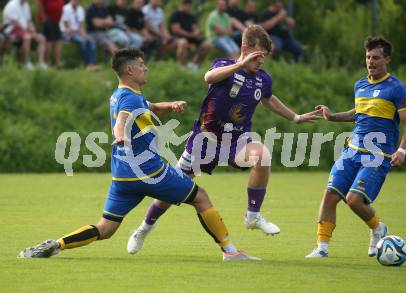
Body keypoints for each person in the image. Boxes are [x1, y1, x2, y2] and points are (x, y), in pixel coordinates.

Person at [17, 48, 259, 262]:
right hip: (148, 171)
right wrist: (120, 134)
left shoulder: (123, 94)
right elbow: (122, 120)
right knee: (201, 197)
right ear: (131, 69)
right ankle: (230, 252)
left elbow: (149, 107)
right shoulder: (129, 98)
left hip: (122, 175)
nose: (145, 68)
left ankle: (57, 244)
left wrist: (170, 105)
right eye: (142, 65)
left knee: (106, 227)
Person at [127, 25, 319, 255]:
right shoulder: (225, 67)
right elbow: (208, 76)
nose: (261, 61)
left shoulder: (262, 79)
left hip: (236, 141)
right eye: (257, 55)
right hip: (204, 141)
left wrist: (296, 117)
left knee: (262, 156)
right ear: (245, 49)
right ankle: (144, 229)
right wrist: (241, 64)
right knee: (171, 191)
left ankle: (253, 216)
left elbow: (268, 99)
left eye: (264, 57)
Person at [305, 36, 406, 258]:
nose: (370, 62)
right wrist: (332, 116)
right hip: (351, 151)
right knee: (330, 196)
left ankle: (378, 228)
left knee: (354, 200)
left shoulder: (396, 88)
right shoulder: (360, 85)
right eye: (367, 57)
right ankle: (322, 248)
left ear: (387, 60)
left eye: (376, 58)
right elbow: (359, 113)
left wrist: (402, 149)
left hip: (377, 155)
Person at [2, 0, 48, 69]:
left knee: (42, 38)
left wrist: (33, 30)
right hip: (12, 29)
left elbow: (29, 21)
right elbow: (15, 23)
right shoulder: (12, 5)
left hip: (23, 30)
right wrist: (28, 32)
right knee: (27, 37)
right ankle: (25, 63)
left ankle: (40, 63)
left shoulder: (26, 5)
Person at [168, 0, 212, 69]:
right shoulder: (176, 15)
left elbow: (195, 28)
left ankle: (193, 64)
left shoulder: (191, 17)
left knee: (207, 44)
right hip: (177, 38)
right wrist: (190, 34)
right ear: (183, 5)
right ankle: (182, 66)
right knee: (183, 42)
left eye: (190, 6)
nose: (189, 7)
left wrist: (196, 32)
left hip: (191, 38)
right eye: (188, 6)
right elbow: (176, 30)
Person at [60, 0, 98, 70]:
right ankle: (86, 63)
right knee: (81, 41)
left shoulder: (80, 9)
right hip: (67, 31)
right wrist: (73, 33)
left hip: (77, 31)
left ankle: (92, 63)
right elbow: (66, 24)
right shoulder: (65, 9)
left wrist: (84, 34)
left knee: (90, 40)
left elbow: (81, 24)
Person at [37, 0, 64, 68]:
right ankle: (46, 63)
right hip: (47, 20)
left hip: (56, 21)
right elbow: (39, 3)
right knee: (49, 42)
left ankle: (57, 63)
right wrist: (43, 18)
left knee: (59, 41)